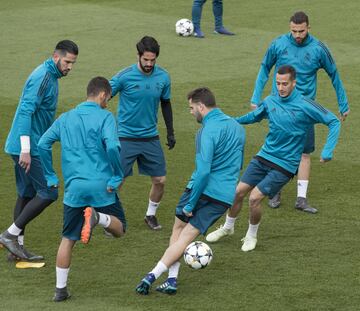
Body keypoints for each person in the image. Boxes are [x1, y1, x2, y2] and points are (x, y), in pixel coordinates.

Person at [206, 65, 341, 251]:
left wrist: (328, 150)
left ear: (294, 83)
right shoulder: (271, 101)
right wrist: (233, 120)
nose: (281, 88)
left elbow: (333, 121)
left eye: (285, 84)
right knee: (237, 193)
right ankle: (228, 228)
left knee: (254, 198)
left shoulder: (306, 105)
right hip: (264, 156)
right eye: (277, 83)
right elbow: (254, 116)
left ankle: (251, 235)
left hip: (285, 164)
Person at [135, 87, 245, 295]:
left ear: (201, 106)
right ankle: (170, 281)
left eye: (191, 108)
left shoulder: (206, 131)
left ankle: (153, 275)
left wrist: (190, 203)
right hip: (224, 197)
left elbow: (203, 172)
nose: (191, 111)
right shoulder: (238, 127)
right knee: (187, 237)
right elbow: (238, 164)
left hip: (201, 190)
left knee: (178, 231)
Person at [37, 77, 126, 302]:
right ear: (103, 95)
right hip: (101, 187)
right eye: (109, 98)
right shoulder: (106, 117)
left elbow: (42, 144)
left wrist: (50, 175)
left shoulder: (65, 118)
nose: (109, 103)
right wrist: (117, 174)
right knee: (119, 228)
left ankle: (60, 290)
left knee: (68, 238)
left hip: (74, 190)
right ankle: (99, 219)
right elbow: (114, 146)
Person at [250, 11, 349, 213]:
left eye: (301, 31)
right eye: (294, 31)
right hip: (279, 107)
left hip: (305, 110)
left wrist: (343, 103)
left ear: (308, 28)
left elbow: (334, 75)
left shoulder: (319, 49)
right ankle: (274, 190)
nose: (297, 35)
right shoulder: (278, 44)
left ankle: (301, 199)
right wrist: (255, 97)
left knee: (304, 153)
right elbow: (264, 68)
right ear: (290, 27)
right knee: (278, 150)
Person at [0, 40, 78, 261]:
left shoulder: (51, 75)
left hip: (27, 144)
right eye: (67, 62)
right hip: (27, 147)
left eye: (73, 63)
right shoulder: (43, 77)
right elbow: (26, 111)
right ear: (56, 57)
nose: (70, 67)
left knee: (26, 193)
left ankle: (16, 248)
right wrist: (26, 149)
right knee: (49, 192)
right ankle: (9, 235)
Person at [109, 36, 175, 230]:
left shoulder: (163, 77)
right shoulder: (124, 76)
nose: (149, 64)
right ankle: (112, 219)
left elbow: (165, 102)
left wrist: (170, 131)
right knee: (117, 180)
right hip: (124, 136)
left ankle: (150, 214)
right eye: (145, 59)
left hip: (150, 137)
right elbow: (103, 97)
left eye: (152, 60)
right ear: (138, 56)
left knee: (160, 180)